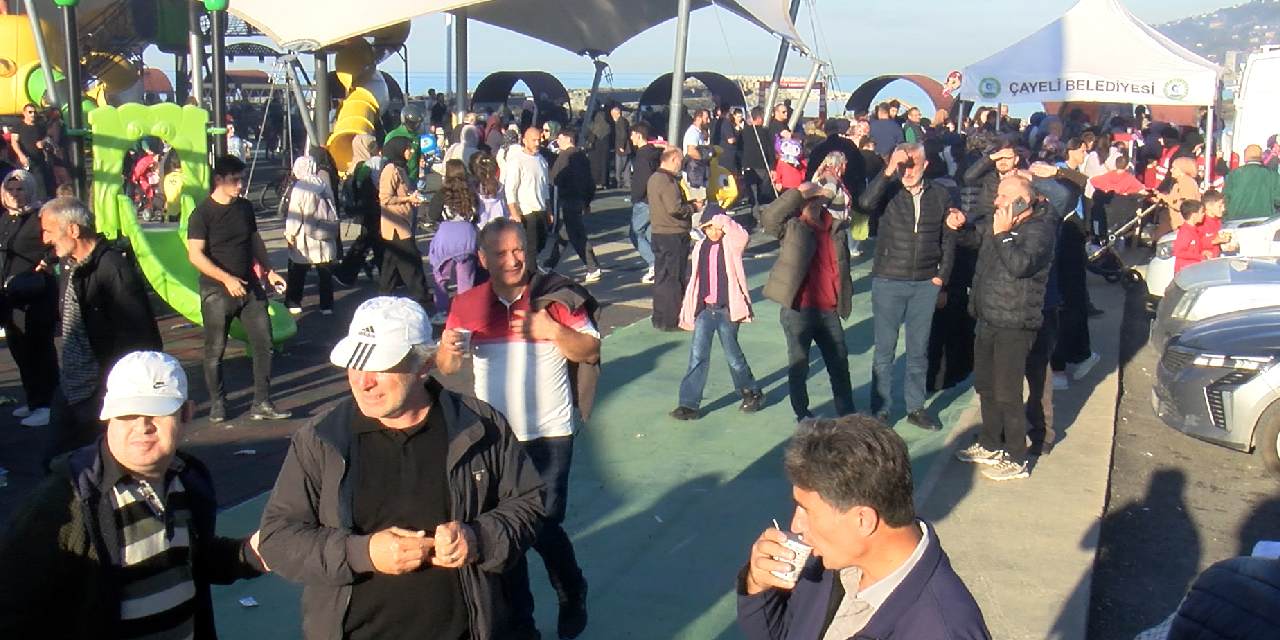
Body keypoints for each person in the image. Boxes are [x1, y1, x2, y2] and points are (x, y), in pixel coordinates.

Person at [259, 296, 546, 640]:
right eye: (355, 363)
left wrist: (477, 538)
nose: (363, 381)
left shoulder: (480, 425)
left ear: (423, 364)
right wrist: (363, 553)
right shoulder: (321, 438)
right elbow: (278, 539)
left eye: (380, 366)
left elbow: (529, 504)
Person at [0, 351, 268, 637]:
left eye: (158, 412)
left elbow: (189, 562)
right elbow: (12, 609)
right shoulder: (66, 501)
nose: (143, 426)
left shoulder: (187, 479)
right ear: (107, 417)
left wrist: (252, 553)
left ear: (187, 413)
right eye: (127, 414)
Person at [438, 219, 600, 639]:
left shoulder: (555, 295)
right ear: (482, 258)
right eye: (501, 253)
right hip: (494, 438)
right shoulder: (468, 304)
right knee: (505, 533)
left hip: (550, 434)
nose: (513, 260)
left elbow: (590, 349)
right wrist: (447, 350)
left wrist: (553, 330)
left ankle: (571, 588)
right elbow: (448, 366)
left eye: (518, 250)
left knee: (541, 525)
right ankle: (523, 626)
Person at [737, 415, 990, 639]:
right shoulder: (834, 561)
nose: (796, 525)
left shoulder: (942, 630)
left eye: (807, 511)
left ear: (863, 520)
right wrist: (759, 586)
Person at [948, 175, 1058, 481]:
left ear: (1023, 202)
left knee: (1008, 392)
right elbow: (975, 238)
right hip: (988, 317)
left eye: (1004, 197)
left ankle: (1016, 455)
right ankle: (990, 442)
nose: (997, 201)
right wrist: (961, 228)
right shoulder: (996, 223)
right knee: (986, 386)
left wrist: (1004, 235)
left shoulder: (1040, 230)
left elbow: (1021, 265)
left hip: (1015, 322)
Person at [39, 196, 162, 462]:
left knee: (97, 460)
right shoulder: (70, 263)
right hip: (71, 382)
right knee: (54, 459)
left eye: (49, 231)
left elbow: (139, 334)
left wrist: (121, 388)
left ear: (74, 230)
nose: (45, 239)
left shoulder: (112, 268)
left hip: (100, 387)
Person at [187, 155, 291, 423]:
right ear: (218, 180)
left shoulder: (244, 207)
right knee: (215, 349)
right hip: (216, 291)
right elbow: (195, 255)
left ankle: (262, 402)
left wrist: (268, 270)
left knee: (264, 343)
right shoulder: (202, 214)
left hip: (249, 287)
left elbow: (254, 240)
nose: (240, 185)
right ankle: (218, 403)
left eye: (241, 179)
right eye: (234, 180)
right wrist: (226, 279)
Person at [859, 144, 956, 429]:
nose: (908, 171)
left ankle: (915, 407)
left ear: (926, 165)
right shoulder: (888, 190)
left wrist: (941, 277)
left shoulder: (940, 194)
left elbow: (948, 238)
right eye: (903, 165)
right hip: (889, 279)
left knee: (918, 351)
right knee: (884, 350)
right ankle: (881, 409)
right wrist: (888, 170)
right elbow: (864, 205)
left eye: (913, 165)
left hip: (925, 282)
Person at [762, 181, 856, 421]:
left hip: (829, 310)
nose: (812, 204)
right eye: (807, 201)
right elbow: (769, 217)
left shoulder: (836, 229)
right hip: (799, 309)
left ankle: (847, 414)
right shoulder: (792, 227)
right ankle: (802, 414)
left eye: (816, 200)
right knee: (799, 365)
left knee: (839, 364)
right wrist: (799, 192)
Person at [670, 210, 764, 420]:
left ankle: (751, 392)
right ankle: (688, 404)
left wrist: (722, 220)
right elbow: (696, 279)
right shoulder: (700, 247)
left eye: (717, 228)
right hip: (705, 309)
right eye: (709, 228)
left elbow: (743, 236)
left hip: (727, 310)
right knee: (697, 356)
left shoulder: (731, 244)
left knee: (733, 356)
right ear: (703, 229)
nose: (714, 232)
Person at [1, 169, 59, 427]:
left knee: (40, 349)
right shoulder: (6, 219)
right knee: (20, 349)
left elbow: (57, 242)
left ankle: (49, 404)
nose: (15, 194)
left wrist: (46, 262)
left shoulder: (40, 216)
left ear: (30, 190)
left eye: (20, 189)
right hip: (11, 296)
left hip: (36, 292)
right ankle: (34, 399)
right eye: (10, 189)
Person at [423, 159, 480, 322]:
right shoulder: (471, 193)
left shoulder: (442, 193)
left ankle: (442, 311)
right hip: (467, 237)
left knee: (441, 278)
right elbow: (477, 216)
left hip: (446, 238)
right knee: (466, 280)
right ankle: (465, 314)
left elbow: (433, 215)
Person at [649, 147, 699, 331]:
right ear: (672, 160)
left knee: (661, 277)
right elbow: (674, 208)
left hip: (659, 232)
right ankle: (672, 319)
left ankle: (659, 317)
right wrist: (693, 207)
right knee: (674, 278)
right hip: (673, 234)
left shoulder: (654, 178)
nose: (680, 165)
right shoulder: (668, 181)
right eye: (679, 161)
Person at [283, 155, 339, 316]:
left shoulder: (300, 187)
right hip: (324, 232)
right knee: (325, 272)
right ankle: (326, 305)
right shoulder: (323, 183)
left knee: (297, 270)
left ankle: (294, 302)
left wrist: (290, 234)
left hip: (304, 235)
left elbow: (295, 214)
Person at [545, 127, 602, 282]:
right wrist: (587, 201)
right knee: (565, 234)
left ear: (567, 139)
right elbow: (590, 182)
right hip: (579, 199)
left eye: (559, 138)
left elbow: (555, 178)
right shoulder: (582, 156)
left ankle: (592, 267)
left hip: (569, 198)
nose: (557, 142)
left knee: (577, 236)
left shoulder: (565, 156)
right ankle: (550, 263)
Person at [378, 136, 430, 303]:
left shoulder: (401, 168)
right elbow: (385, 198)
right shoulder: (390, 170)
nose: (411, 151)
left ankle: (384, 293)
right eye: (408, 148)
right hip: (395, 222)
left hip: (402, 219)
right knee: (411, 259)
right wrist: (407, 199)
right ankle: (421, 294)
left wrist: (411, 197)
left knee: (391, 261)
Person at [335, 133, 384, 285]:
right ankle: (347, 272)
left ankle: (382, 273)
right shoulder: (366, 166)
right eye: (371, 146)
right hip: (371, 209)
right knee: (370, 240)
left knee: (371, 240)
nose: (375, 148)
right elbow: (368, 189)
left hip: (364, 209)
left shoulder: (356, 163)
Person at [505, 126, 553, 258]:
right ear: (524, 141)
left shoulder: (541, 160)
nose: (537, 143)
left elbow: (545, 188)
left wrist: (549, 210)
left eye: (539, 140)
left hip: (541, 209)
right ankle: (530, 269)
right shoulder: (517, 160)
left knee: (541, 244)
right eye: (533, 140)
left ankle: (532, 265)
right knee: (530, 247)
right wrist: (514, 212)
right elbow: (510, 189)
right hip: (526, 211)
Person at [629, 122, 663, 283]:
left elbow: (642, 180)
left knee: (635, 233)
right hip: (653, 199)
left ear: (638, 135)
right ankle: (658, 262)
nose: (631, 138)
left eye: (632, 135)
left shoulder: (642, 156)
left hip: (643, 200)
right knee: (649, 232)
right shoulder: (653, 153)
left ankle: (653, 263)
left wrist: (635, 196)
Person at [1223, 144, 1280, 221]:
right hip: (1264, 222)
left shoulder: (1233, 174)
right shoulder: (1273, 175)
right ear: (1261, 157)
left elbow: (1225, 199)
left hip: (1235, 221)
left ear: (1245, 157)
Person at [741, 107, 778, 223]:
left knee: (753, 193)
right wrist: (772, 167)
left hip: (748, 166)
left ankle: (755, 216)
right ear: (759, 118)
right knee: (764, 192)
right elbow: (770, 151)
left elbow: (740, 149)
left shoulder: (744, 132)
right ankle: (764, 217)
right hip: (762, 165)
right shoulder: (764, 132)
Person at [9, 103, 52, 197]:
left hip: (39, 162)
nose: (33, 114)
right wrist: (21, 156)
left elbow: (47, 138)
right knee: (24, 186)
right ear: (24, 113)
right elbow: (14, 142)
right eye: (30, 112)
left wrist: (43, 142)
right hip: (24, 162)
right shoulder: (18, 126)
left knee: (40, 188)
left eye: (34, 112)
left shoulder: (40, 126)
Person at [1172, 200, 1212, 273]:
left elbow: (1194, 249)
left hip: (1194, 269)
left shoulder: (1194, 230)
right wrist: (1199, 256)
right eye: (1201, 212)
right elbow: (1178, 252)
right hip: (1185, 271)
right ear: (1194, 215)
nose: (1204, 214)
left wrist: (1203, 252)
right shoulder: (1185, 232)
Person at [612, 103, 632, 191]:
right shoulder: (624, 121)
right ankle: (627, 182)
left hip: (622, 147)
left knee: (619, 165)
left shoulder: (620, 122)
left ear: (616, 113)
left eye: (612, 114)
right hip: (627, 147)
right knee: (627, 165)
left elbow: (623, 134)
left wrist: (621, 146)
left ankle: (619, 182)